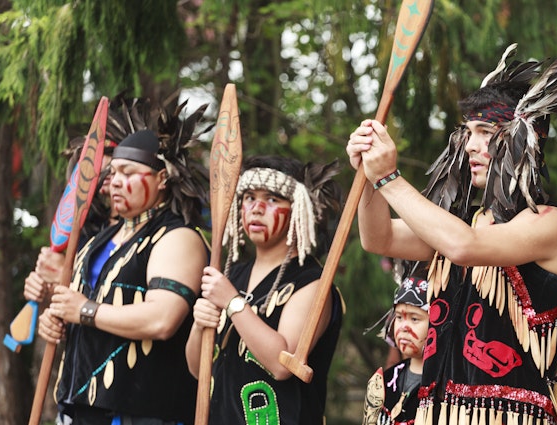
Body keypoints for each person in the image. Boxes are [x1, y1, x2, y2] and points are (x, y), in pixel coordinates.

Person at [347, 44, 557, 424]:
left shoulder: (551, 224)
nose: (471, 145)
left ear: (525, 138)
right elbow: (379, 238)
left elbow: (463, 247)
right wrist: (369, 180)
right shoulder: (464, 224)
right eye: (468, 132)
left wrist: (389, 177)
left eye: (485, 131)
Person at [37, 99, 210, 425]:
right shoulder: (98, 241)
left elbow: (162, 319)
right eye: (113, 172)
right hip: (82, 408)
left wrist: (84, 311)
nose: (115, 181)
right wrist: (59, 322)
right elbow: (82, 309)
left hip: (145, 413)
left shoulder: (177, 237)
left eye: (128, 172)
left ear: (162, 179)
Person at [184, 155, 343, 424]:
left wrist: (233, 303)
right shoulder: (232, 275)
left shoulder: (313, 283)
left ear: (298, 209)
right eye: (249, 197)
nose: (257, 208)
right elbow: (196, 370)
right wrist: (200, 325)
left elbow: (284, 365)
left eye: (272, 199)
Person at [23, 95, 150, 308]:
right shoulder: (89, 230)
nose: (101, 169)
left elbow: (124, 293)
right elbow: (71, 306)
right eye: (93, 163)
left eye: (109, 157)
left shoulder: (151, 230)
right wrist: (45, 291)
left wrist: (68, 271)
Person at [364, 265, 430, 425]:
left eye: (415, 319)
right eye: (399, 317)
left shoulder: (446, 387)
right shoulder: (385, 379)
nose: (404, 327)